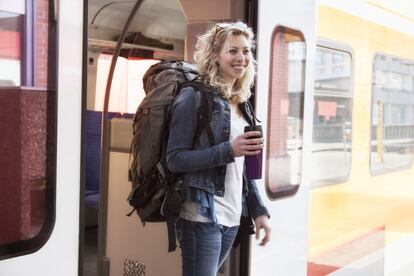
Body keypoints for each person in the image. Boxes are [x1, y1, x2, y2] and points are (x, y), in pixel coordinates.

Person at [166, 21, 271, 276]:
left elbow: (243, 169)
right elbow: (175, 159)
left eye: (246, 51)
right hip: (201, 216)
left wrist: (259, 211)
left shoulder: (242, 103)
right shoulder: (193, 97)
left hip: (232, 216)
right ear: (215, 55)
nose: (241, 58)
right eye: (232, 50)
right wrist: (229, 150)